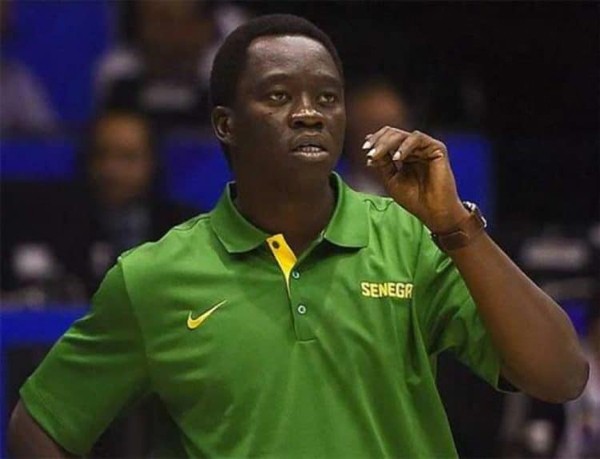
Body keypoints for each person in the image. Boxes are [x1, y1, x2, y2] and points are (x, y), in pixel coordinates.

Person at [8, 14, 588, 458]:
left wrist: (455, 224)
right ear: (226, 124)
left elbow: (561, 376)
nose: (310, 113)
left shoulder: (412, 241)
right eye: (279, 96)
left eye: (327, 98)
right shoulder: (153, 277)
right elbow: (40, 425)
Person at [95, 0, 248, 132]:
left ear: (207, 28)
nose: (171, 35)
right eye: (158, 21)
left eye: (182, 22)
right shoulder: (118, 85)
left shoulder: (229, 89)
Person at [344, 77, 412, 195]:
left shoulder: (425, 192)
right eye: (379, 128)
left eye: (399, 126)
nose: (394, 139)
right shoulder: (335, 198)